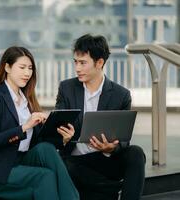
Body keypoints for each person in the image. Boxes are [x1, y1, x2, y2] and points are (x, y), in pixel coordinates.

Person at [0, 46, 79, 200]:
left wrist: (63, 139)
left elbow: (39, 142)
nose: (27, 73)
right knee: (45, 177)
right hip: (1, 169)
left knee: (46, 148)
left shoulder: (28, 100)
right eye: (22, 67)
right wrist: (25, 126)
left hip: (24, 161)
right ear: (7, 67)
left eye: (30, 68)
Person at [54, 34, 146, 200]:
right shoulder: (66, 88)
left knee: (136, 153)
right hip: (77, 161)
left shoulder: (121, 95)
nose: (77, 68)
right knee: (63, 165)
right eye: (76, 62)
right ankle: (111, 189)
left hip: (106, 160)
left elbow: (124, 140)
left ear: (100, 63)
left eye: (83, 63)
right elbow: (58, 125)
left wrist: (111, 148)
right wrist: (64, 138)